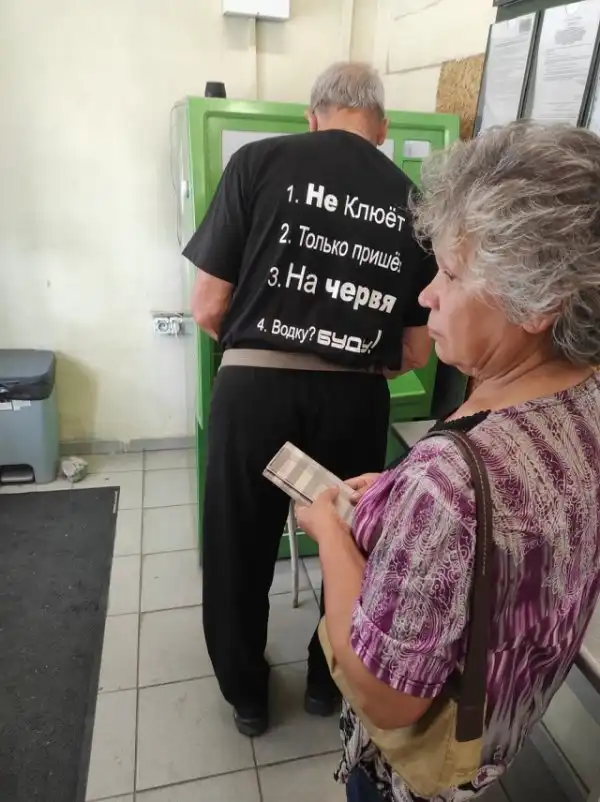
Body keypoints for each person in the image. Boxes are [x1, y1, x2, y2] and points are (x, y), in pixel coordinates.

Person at [296, 120, 600, 802]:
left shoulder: (451, 482)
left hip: (413, 779)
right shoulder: (585, 397)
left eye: (453, 273)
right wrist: (400, 497)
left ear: (539, 300)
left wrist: (332, 533)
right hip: (503, 727)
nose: (426, 293)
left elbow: (384, 697)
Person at [182, 61, 436, 737]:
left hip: (255, 390)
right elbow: (416, 351)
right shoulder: (414, 203)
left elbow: (207, 306)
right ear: (382, 127)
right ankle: (329, 683)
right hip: (354, 400)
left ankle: (248, 697)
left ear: (312, 114)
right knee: (346, 538)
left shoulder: (257, 164)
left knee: (238, 545)